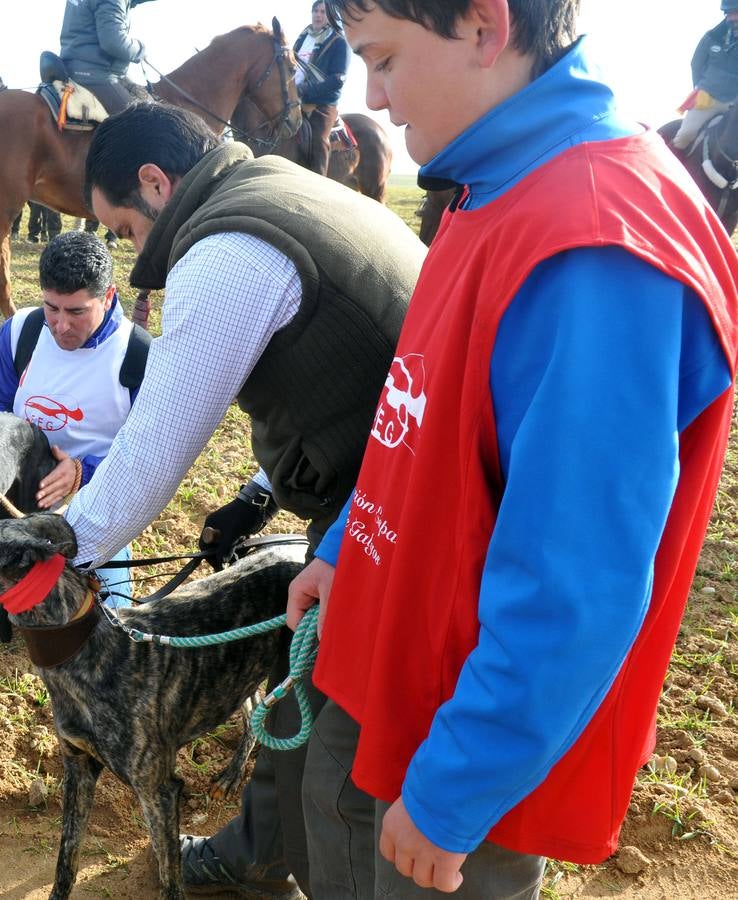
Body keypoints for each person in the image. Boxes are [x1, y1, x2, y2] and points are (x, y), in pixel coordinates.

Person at [285, 1, 738, 896]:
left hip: (453, 719)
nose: (371, 97)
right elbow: (423, 405)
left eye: (383, 59)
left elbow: (579, 583)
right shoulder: (495, 179)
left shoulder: (593, 242)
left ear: (486, 27)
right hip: (387, 640)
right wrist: (347, 549)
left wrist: (459, 788)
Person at [73, 101, 424, 898]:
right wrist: (261, 495)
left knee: (335, 736)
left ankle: (317, 874)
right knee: (304, 686)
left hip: (395, 508)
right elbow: (346, 376)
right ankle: (257, 853)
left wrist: (63, 550)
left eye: (124, 229)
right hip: (383, 481)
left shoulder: (227, 249)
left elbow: (154, 450)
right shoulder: (279, 187)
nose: (133, 251)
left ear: (156, 183)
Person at [0, 231, 152, 603]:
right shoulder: (20, 331)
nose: (60, 325)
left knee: (108, 620)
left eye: (76, 311)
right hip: (15, 501)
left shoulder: (137, 354)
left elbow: (147, 453)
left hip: (96, 509)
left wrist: (82, 471)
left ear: (108, 296)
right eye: (51, 308)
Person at [59, 0, 154, 114]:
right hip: (96, 74)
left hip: (75, 66)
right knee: (146, 120)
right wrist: (140, 50)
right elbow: (113, 42)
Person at [292, 0, 350, 175]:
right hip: (294, 98)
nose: (318, 15)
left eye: (323, 12)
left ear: (332, 16)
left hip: (322, 103)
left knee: (318, 140)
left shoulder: (339, 41)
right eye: (315, 11)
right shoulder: (303, 37)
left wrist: (306, 91)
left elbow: (338, 80)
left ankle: (319, 180)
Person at [673, 1, 738, 150]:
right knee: (685, 135)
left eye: (736, 13)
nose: (733, 17)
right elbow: (696, 65)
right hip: (707, 100)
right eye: (729, 13)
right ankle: (669, 169)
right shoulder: (710, 38)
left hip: (735, 104)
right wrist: (701, 89)